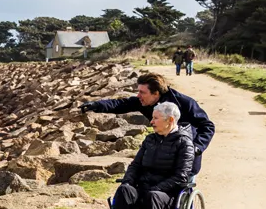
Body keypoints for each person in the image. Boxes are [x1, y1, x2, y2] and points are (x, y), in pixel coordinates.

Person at [103, 101, 194, 209]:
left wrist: (157, 188)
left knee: (153, 196)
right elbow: (135, 165)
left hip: (167, 195)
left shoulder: (184, 143)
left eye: (155, 118)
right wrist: (129, 181)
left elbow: (181, 176)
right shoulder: (150, 139)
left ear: (170, 120)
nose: (151, 122)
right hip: (143, 188)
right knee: (124, 189)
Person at [80, 72, 215, 174]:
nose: (138, 96)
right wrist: (96, 105)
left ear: (156, 93)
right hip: (161, 151)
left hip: (186, 155)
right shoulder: (144, 101)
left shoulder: (185, 103)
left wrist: (197, 147)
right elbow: (120, 104)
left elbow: (207, 126)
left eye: (142, 92)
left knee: (181, 192)